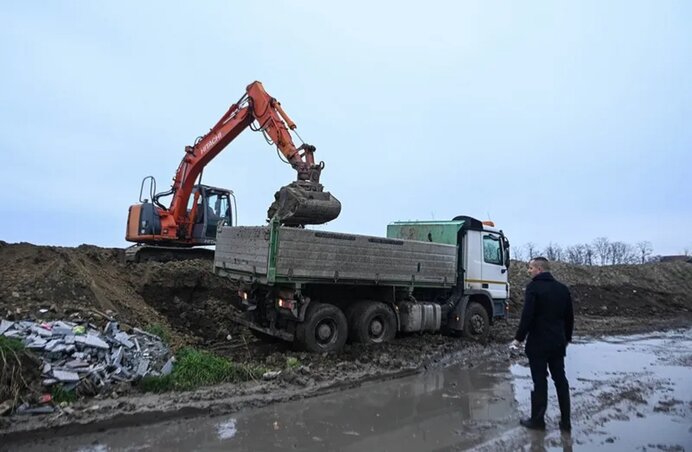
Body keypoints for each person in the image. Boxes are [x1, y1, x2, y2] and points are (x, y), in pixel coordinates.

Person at [511, 257, 574, 432]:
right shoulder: (562, 289)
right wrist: (566, 338)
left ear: (539, 269)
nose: (528, 271)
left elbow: (527, 316)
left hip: (538, 343)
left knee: (540, 381)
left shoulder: (533, 288)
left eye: (530, 268)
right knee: (560, 380)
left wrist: (518, 338)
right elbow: (569, 317)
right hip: (557, 343)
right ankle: (566, 422)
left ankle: (538, 421)